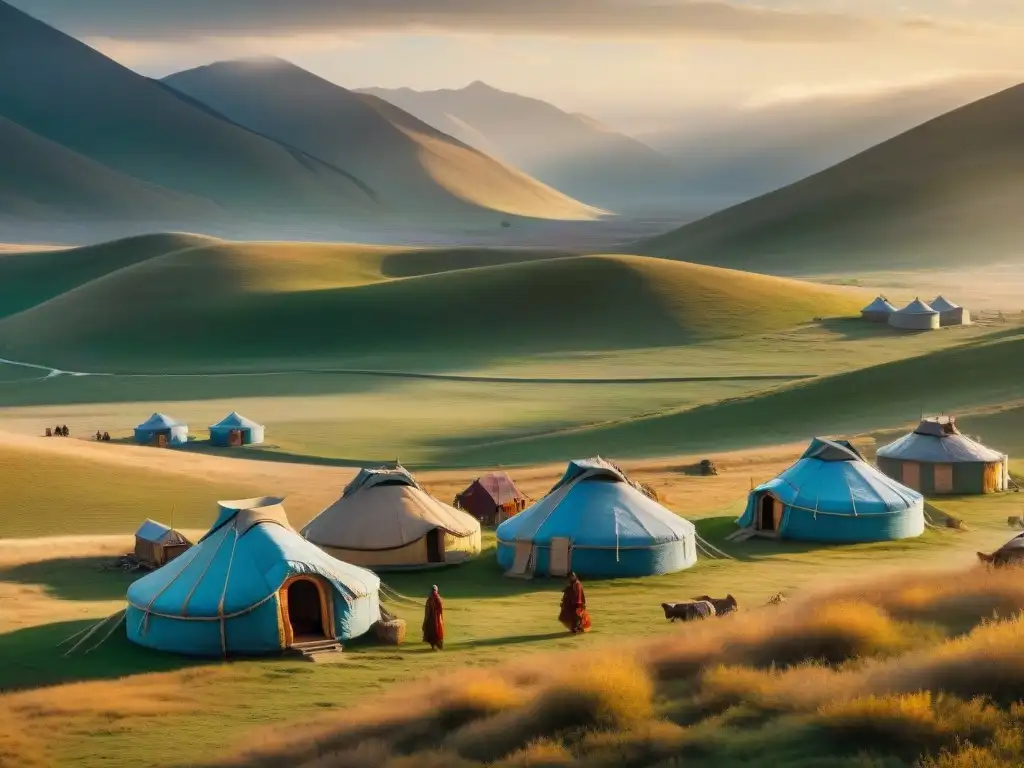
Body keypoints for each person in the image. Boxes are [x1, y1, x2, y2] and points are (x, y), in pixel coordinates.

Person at [422, 585, 444, 651]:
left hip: (430, 619)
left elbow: (427, 610)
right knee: (438, 632)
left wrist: (425, 620)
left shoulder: (429, 599)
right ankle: (439, 646)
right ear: (436, 590)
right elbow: (440, 609)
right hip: (437, 619)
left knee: (430, 633)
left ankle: (433, 647)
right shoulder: (438, 598)